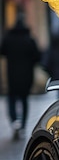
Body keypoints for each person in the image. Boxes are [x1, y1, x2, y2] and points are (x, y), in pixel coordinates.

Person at [0, 11, 42, 139]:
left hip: (12, 74)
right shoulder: (29, 39)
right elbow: (37, 56)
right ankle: (22, 125)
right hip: (26, 75)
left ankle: (14, 121)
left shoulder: (9, 38)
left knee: (11, 98)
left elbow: (2, 51)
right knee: (24, 100)